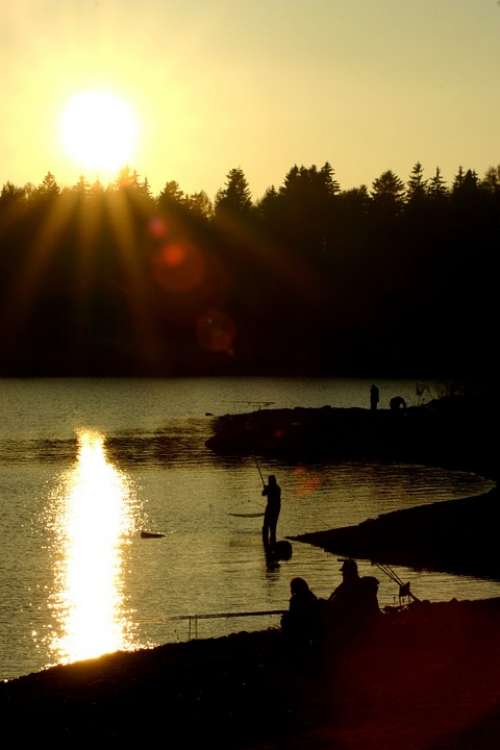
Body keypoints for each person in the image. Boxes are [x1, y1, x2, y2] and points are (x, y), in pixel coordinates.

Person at [327, 559, 380, 635]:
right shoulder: (346, 586)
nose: (343, 575)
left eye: (344, 572)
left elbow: (341, 608)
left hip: (355, 627)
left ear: (350, 573)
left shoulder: (352, 588)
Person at [281, 577, 320, 646]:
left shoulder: (296, 599)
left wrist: (286, 617)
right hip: (310, 628)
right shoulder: (311, 596)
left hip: (301, 629)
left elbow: (296, 616)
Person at [262, 474, 281, 550]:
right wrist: (266, 489)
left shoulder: (277, 488)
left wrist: (267, 489)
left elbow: (271, 493)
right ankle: (266, 542)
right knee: (266, 525)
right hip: (269, 506)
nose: (269, 482)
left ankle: (271, 543)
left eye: (270, 481)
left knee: (272, 526)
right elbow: (263, 494)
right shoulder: (270, 488)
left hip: (275, 507)